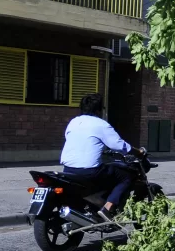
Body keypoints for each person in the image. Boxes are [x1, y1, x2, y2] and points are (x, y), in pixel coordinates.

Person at [60, 93, 145, 221]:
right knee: (127, 175)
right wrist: (138, 152)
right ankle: (107, 209)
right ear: (99, 110)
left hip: (68, 170)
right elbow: (118, 145)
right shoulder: (101, 124)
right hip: (90, 171)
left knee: (107, 171)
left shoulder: (74, 122)